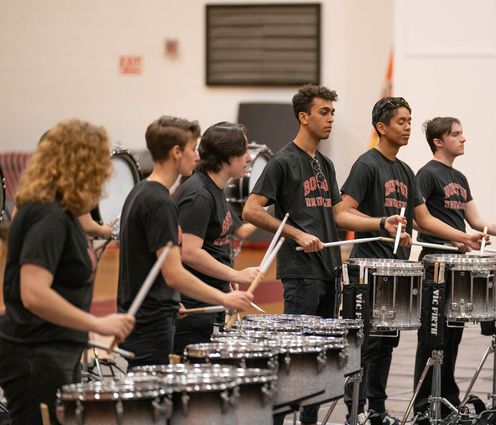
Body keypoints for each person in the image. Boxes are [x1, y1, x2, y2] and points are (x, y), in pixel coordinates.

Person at [243, 85, 406, 425]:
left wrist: (379, 222)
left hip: (329, 270)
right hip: (301, 271)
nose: (331, 118)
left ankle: (309, 421)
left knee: (319, 359)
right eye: (324, 112)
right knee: (297, 356)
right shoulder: (283, 161)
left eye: (332, 112)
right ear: (303, 117)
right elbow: (252, 210)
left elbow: (338, 214)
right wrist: (296, 232)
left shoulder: (326, 164)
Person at [340, 98, 484, 425]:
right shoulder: (367, 164)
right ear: (381, 127)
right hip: (368, 271)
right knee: (366, 346)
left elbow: (424, 218)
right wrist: (380, 223)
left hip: (398, 270)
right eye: (401, 122)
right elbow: (342, 213)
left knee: (387, 345)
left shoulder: (405, 171)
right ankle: (353, 412)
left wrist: (463, 237)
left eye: (409, 121)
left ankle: (376, 411)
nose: (407, 127)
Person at [0, 120, 136, 424]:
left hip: (54, 349)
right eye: (98, 162)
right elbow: (34, 294)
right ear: (80, 165)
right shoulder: (48, 216)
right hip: (33, 353)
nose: (105, 173)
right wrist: (97, 323)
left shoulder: (64, 213)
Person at [413, 116, 496, 418]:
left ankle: (447, 399)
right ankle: (423, 405)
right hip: (435, 265)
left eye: (462, 133)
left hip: (459, 264)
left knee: (454, 335)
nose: (463, 138)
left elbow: (476, 221)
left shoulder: (460, 179)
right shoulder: (427, 174)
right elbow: (420, 219)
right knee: (433, 336)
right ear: (438, 141)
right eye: (456, 134)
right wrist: (459, 238)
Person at [117, 116, 253, 370]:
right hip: (149, 324)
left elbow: (153, 267)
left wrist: (169, 300)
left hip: (155, 315)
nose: (197, 155)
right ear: (176, 152)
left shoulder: (141, 191)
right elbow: (175, 272)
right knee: (156, 406)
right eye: (192, 149)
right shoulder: (160, 201)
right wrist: (225, 298)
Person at [172, 122, 260, 353]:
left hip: (210, 301)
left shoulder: (214, 189)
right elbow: (190, 253)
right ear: (226, 157)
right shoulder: (199, 195)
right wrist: (235, 273)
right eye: (243, 152)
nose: (249, 157)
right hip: (191, 307)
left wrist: (226, 277)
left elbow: (214, 243)